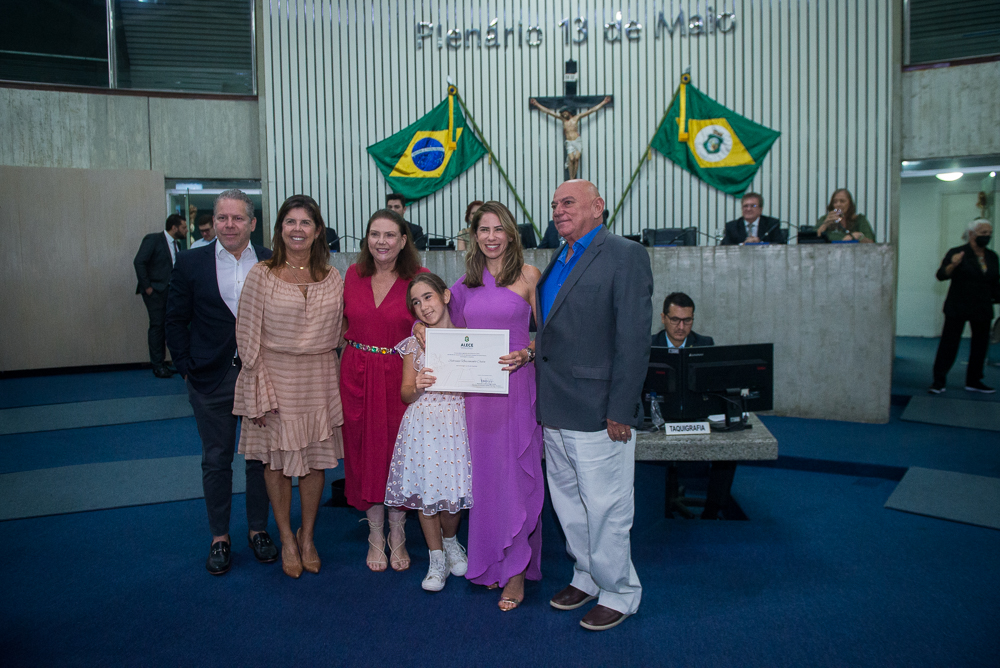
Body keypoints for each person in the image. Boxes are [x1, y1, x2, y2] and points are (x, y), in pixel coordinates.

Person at [536, 179, 652, 631]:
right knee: (569, 504)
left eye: (568, 202)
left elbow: (633, 339)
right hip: (555, 406)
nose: (558, 210)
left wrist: (622, 407)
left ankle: (620, 591)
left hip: (600, 410)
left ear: (598, 207)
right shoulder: (560, 256)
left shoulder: (625, 254)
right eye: (554, 204)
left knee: (606, 506)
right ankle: (586, 575)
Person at [232, 194, 345, 579]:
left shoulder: (333, 277)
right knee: (275, 464)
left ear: (318, 232)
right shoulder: (261, 275)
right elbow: (246, 336)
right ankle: (285, 537)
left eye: (306, 223)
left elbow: (346, 330)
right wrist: (257, 392)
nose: (298, 229)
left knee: (315, 463)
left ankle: (308, 536)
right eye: (290, 222)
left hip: (319, 379)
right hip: (274, 378)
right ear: (280, 229)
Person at [165, 189, 276, 575]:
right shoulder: (191, 262)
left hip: (261, 378)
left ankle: (258, 530)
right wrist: (185, 367)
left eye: (238, 218)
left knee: (261, 459)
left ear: (252, 223)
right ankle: (220, 537)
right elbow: (175, 319)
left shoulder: (270, 261)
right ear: (213, 222)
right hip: (209, 378)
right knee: (216, 460)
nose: (229, 225)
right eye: (222, 218)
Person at [446, 201, 544, 611]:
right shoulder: (461, 286)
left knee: (515, 479)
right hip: (477, 399)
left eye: (497, 229)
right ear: (472, 236)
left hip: (517, 391)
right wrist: (419, 327)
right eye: (482, 230)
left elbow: (549, 335)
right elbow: (448, 339)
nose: (490, 237)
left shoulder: (529, 276)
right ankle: (490, 562)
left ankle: (517, 570)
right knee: (486, 481)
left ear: (510, 233)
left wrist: (529, 353)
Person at [341, 208, 427, 572]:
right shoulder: (352, 275)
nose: (382, 242)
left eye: (390, 235)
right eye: (375, 234)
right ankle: (375, 533)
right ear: (366, 240)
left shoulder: (418, 278)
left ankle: (398, 531)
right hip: (356, 373)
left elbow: (437, 317)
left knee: (397, 453)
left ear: (404, 240)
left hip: (399, 375)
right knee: (364, 452)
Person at [386, 273, 472, 592]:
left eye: (428, 297)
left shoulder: (467, 338)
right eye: (416, 303)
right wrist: (418, 386)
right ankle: (436, 557)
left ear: (446, 296)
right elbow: (405, 393)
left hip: (457, 423)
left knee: (453, 494)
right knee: (427, 495)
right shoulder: (414, 344)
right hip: (424, 424)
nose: (423, 306)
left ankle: (451, 542)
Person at [929, 219, 1000, 394]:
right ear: (971, 234)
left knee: (980, 345)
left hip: (982, 307)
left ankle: (974, 381)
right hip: (958, 305)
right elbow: (941, 275)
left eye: (989, 233)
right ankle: (939, 381)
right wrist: (953, 264)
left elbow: (994, 282)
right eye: (983, 233)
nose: (987, 236)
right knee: (949, 344)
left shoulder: (992, 256)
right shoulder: (956, 252)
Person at [135, 213, 187, 378]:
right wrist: (147, 287)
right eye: (183, 227)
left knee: (167, 326)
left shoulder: (176, 244)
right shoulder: (154, 239)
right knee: (157, 326)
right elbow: (139, 261)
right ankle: (157, 365)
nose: (186, 231)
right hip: (156, 291)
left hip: (170, 291)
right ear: (174, 227)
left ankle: (164, 362)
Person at [529, 97, 612, 179]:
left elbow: (591, 111)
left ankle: (574, 177)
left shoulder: (576, 118)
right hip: (569, 142)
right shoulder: (563, 120)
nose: (564, 115)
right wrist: (536, 104)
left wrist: (603, 102)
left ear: (569, 112)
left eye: (565, 113)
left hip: (577, 140)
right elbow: (549, 112)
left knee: (576, 158)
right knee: (571, 159)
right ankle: (571, 178)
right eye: (563, 113)